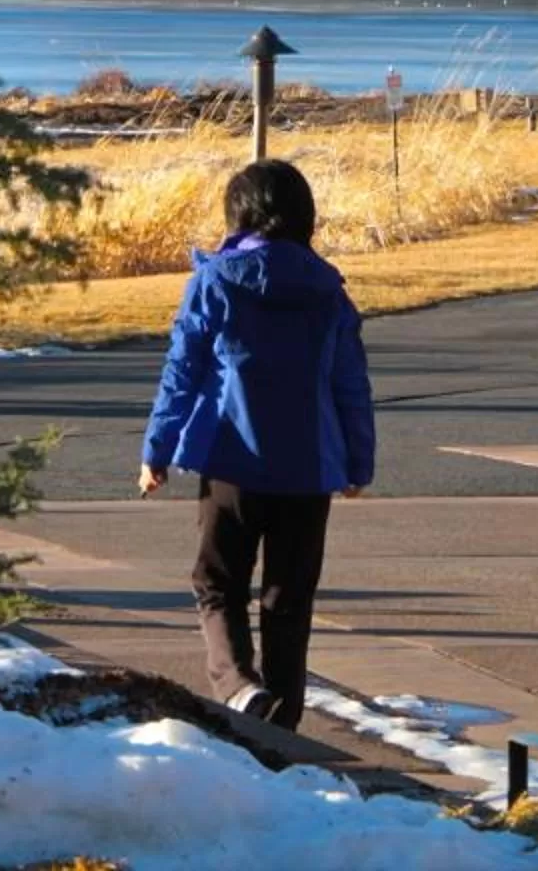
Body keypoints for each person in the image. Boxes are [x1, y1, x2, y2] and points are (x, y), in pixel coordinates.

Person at [139, 159, 377, 728]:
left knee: (217, 582)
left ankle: (238, 685)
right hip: (309, 466)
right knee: (288, 603)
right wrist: (358, 462)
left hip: (232, 461)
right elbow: (350, 382)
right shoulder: (328, 292)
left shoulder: (216, 280)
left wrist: (157, 448)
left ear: (239, 212)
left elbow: (184, 371)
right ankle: (282, 726)